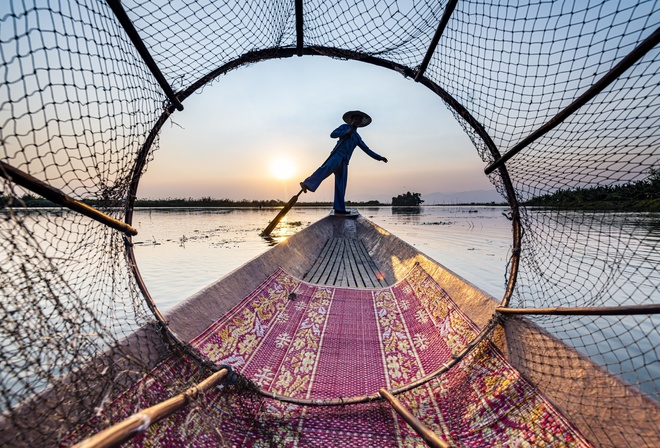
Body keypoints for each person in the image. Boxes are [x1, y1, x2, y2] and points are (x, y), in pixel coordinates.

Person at [300, 111, 388, 214]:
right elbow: (332, 134)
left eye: (359, 120)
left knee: (341, 185)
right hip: (337, 155)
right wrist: (345, 133)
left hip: (345, 161)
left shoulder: (357, 137)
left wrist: (379, 157)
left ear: (360, 123)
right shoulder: (344, 127)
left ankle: (339, 208)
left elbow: (367, 150)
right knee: (326, 169)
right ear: (351, 120)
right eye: (356, 119)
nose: (357, 121)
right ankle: (307, 183)